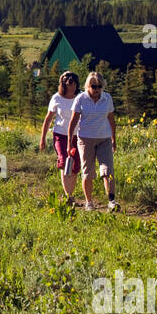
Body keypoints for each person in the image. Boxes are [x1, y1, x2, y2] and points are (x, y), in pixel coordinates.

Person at [67, 71, 118, 212]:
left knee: (108, 170)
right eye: (94, 86)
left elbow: (111, 120)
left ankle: (112, 201)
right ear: (88, 86)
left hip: (104, 138)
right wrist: (69, 142)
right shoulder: (81, 99)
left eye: (99, 86)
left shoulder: (107, 99)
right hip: (85, 139)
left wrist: (114, 138)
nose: (96, 89)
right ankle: (89, 202)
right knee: (88, 172)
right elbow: (73, 121)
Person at [39, 71, 81, 205]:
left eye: (74, 85)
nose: (72, 87)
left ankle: (71, 194)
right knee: (64, 162)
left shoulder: (81, 97)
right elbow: (48, 119)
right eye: (69, 85)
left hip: (77, 135)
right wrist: (43, 138)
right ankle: (68, 196)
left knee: (74, 166)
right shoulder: (57, 98)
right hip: (60, 135)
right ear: (63, 84)